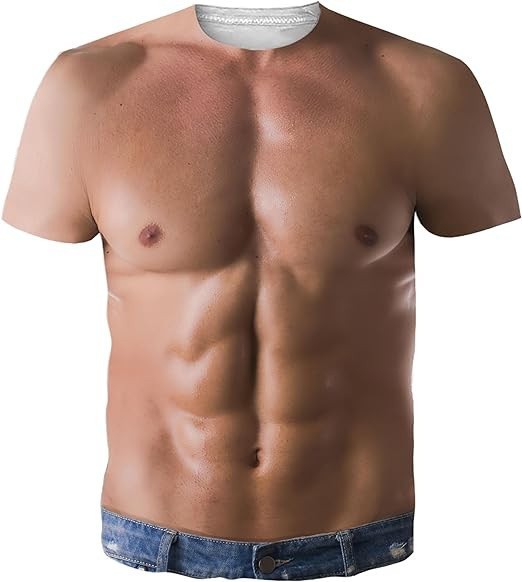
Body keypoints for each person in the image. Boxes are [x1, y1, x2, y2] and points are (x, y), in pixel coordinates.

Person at [2, 2, 520, 578]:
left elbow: (496, 289)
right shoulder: (87, 84)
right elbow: (26, 304)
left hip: (365, 540)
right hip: (151, 540)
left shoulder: (422, 83)